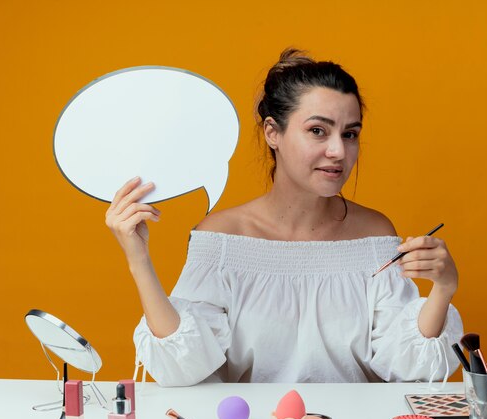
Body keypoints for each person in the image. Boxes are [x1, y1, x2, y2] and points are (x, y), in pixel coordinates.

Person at [105, 49, 463, 387]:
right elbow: (185, 367)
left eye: (350, 134)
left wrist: (443, 289)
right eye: (318, 131)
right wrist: (139, 261)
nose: (338, 151)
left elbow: (406, 367)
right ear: (272, 133)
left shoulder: (374, 234)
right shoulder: (222, 238)